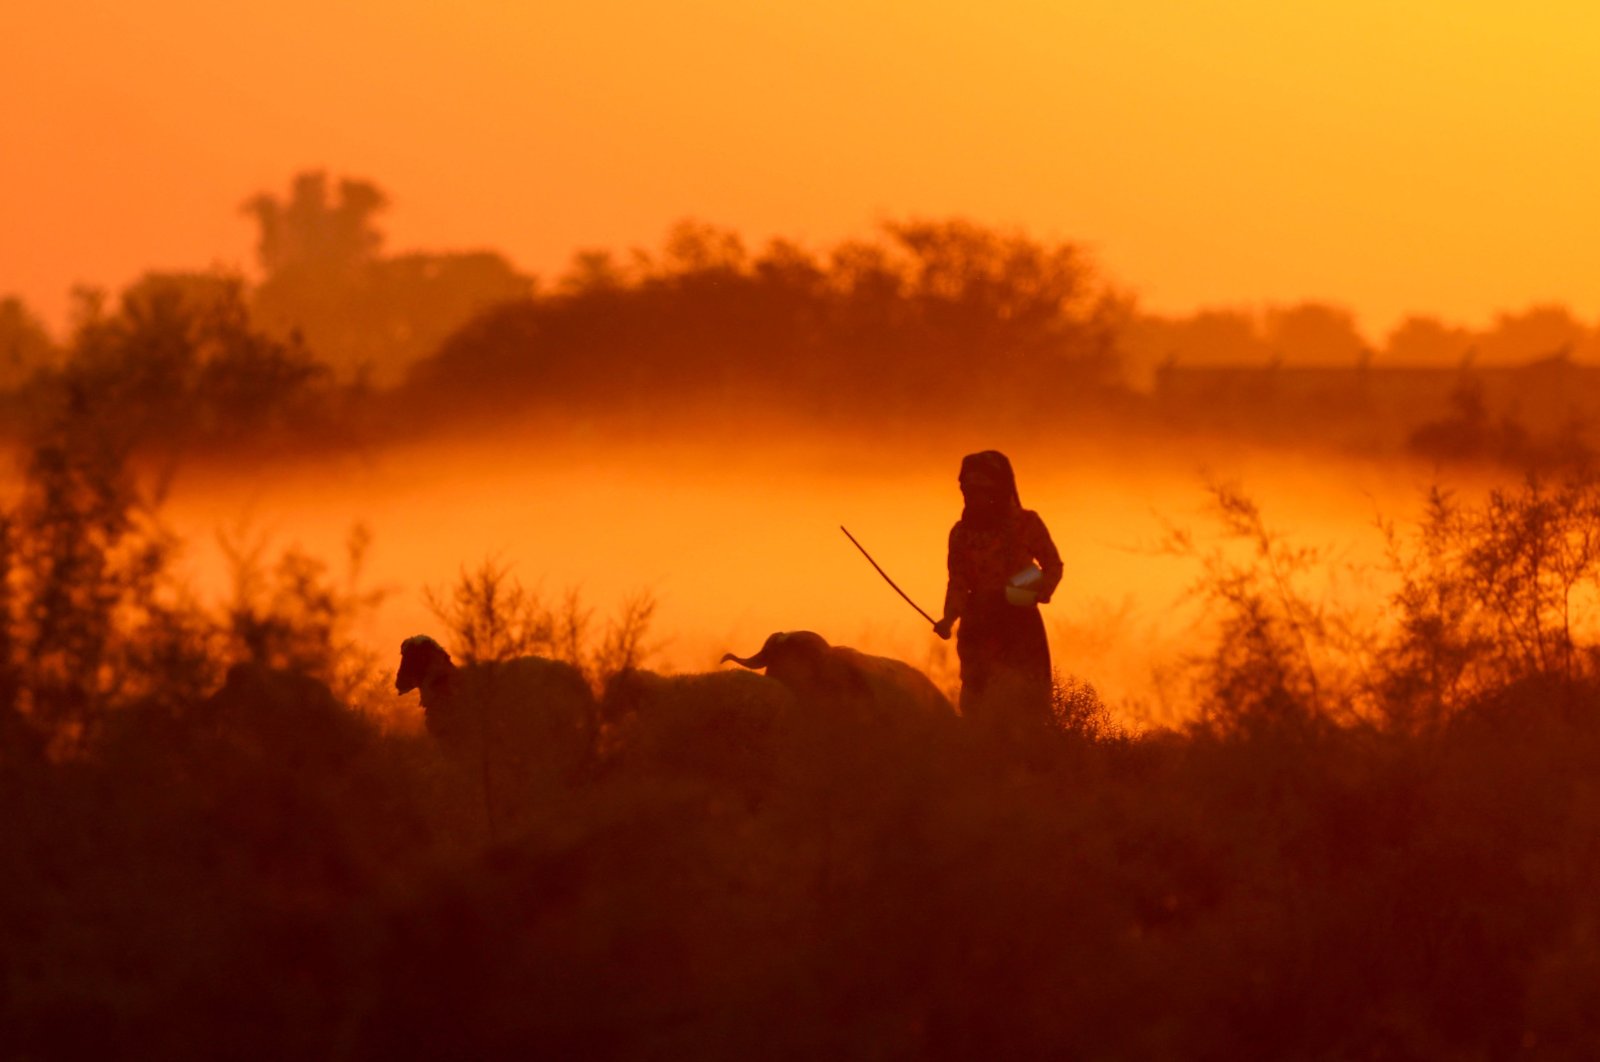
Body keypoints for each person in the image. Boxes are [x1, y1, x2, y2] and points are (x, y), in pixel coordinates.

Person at [933, 451, 1063, 736]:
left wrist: (1039, 589)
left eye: (983, 491)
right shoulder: (960, 534)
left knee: (1026, 701)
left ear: (998, 491)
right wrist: (948, 618)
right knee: (978, 701)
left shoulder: (1026, 524)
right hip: (978, 625)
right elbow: (958, 581)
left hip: (1020, 624)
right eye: (969, 490)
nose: (975, 497)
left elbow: (1052, 564)